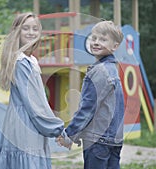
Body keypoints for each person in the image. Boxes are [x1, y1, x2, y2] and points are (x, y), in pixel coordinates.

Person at [0, 12, 68, 169]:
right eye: (25, 28)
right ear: (17, 32)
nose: (31, 32)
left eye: (35, 28)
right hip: (25, 122)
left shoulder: (29, 59)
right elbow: (35, 103)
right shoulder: (22, 62)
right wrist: (58, 129)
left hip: (22, 120)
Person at [57, 20, 125, 169]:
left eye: (103, 39)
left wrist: (69, 134)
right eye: (93, 38)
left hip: (98, 140)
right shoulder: (113, 70)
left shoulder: (99, 72)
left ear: (115, 46)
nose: (96, 42)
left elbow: (88, 108)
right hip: (115, 139)